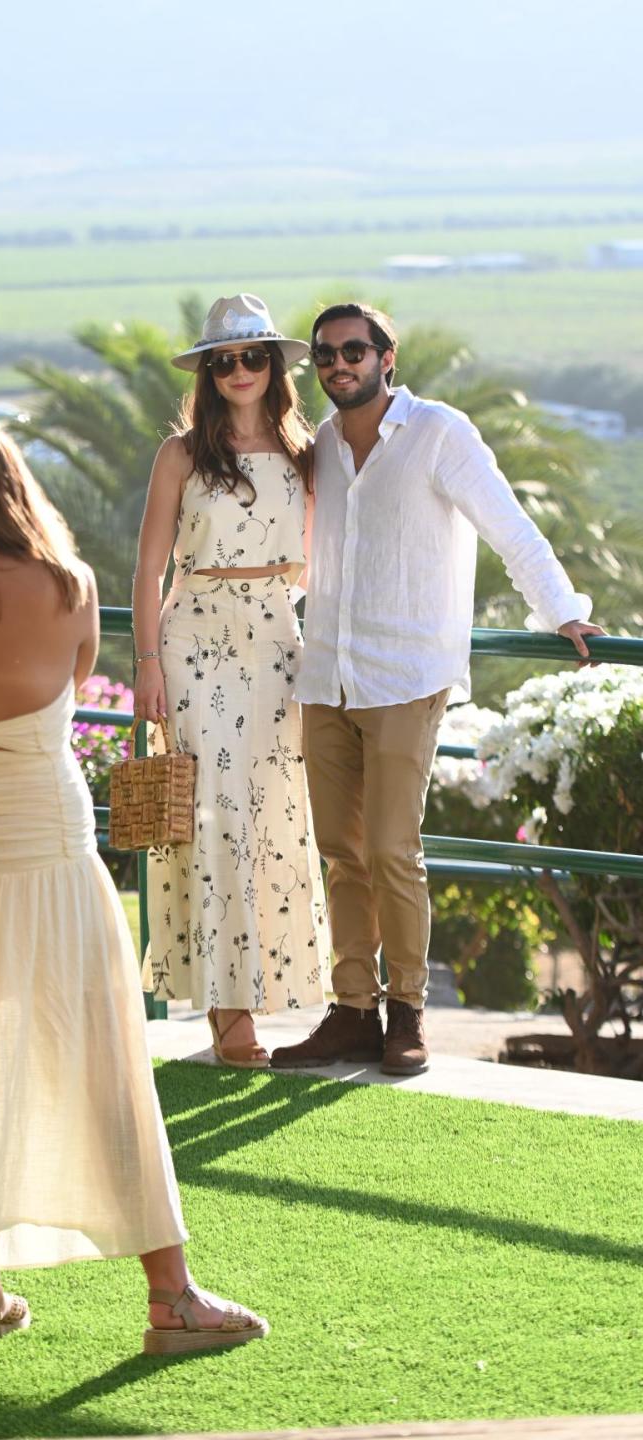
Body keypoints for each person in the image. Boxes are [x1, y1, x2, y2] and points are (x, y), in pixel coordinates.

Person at [0, 420, 267, 1354]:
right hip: (46, 839)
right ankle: (170, 1296)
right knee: (103, 1059)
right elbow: (66, 689)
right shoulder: (71, 589)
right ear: (12, 489)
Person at [271, 302, 605, 1078]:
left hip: (404, 677)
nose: (337, 364)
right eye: (324, 354)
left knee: (391, 849)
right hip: (327, 676)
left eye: (354, 350)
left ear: (389, 356)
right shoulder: (320, 443)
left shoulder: (440, 433)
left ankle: (407, 1014)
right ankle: (352, 1009)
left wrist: (563, 612)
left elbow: (509, 524)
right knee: (341, 853)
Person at [133, 294, 329, 1067]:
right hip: (194, 638)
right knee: (210, 816)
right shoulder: (179, 455)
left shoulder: (305, 451)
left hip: (278, 640)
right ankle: (227, 1007)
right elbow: (149, 568)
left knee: (274, 815)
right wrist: (146, 664)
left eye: (253, 356)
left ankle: (271, 989)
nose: (240, 370)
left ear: (273, 366)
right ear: (209, 372)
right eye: (225, 360)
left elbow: (321, 557)